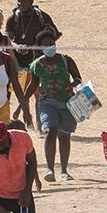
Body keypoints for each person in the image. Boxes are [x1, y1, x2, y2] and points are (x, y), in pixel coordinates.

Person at [28, 33, 81, 181]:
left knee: (64, 136)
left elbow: (78, 78)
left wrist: (71, 85)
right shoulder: (37, 65)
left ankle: (64, 171)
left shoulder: (66, 60)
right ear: (41, 47)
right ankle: (50, 170)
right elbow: (33, 85)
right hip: (47, 102)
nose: (50, 46)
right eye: (46, 44)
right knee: (51, 130)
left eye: (51, 43)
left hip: (67, 103)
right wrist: (22, 105)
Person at [6, 0, 61, 129]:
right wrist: (17, 47)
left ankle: (40, 125)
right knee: (21, 92)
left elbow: (55, 34)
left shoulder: (41, 17)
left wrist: (41, 45)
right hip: (18, 63)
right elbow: (7, 41)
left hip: (38, 60)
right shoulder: (13, 19)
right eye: (18, 1)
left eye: (23, 1)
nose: (20, 4)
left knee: (37, 93)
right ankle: (27, 120)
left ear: (31, 1)